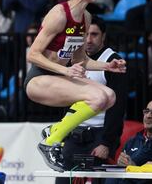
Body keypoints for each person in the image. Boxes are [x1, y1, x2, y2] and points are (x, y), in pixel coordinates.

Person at [24, 0, 126, 172]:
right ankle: (51, 139)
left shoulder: (86, 17)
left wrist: (106, 66)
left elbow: (81, 59)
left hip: (59, 77)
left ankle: (54, 131)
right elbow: (33, 54)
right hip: (38, 79)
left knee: (109, 96)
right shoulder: (59, 14)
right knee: (99, 97)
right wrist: (65, 70)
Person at [55, 16, 127, 183]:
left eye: (94, 34)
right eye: (85, 34)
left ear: (104, 36)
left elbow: (118, 107)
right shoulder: (72, 59)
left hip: (99, 134)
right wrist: (63, 133)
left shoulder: (112, 61)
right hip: (75, 132)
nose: (88, 40)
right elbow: (66, 99)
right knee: (63, 179)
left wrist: (107, 143)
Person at [116, 100, 152, 168]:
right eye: (146, 111)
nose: (148, 116)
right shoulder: (132, 141)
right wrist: (121, 162)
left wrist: (135, 168)